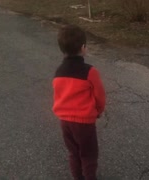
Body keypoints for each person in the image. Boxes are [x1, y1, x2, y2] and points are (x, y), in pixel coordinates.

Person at [52, 25, 106, 180]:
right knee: (88, 154)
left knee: (74, 153)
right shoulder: (90, 71)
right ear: (83, 48)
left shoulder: (59, 71)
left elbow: (59, 94)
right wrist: (98, 111)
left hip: (65, 122)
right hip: (83, 123)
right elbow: (100, 96)